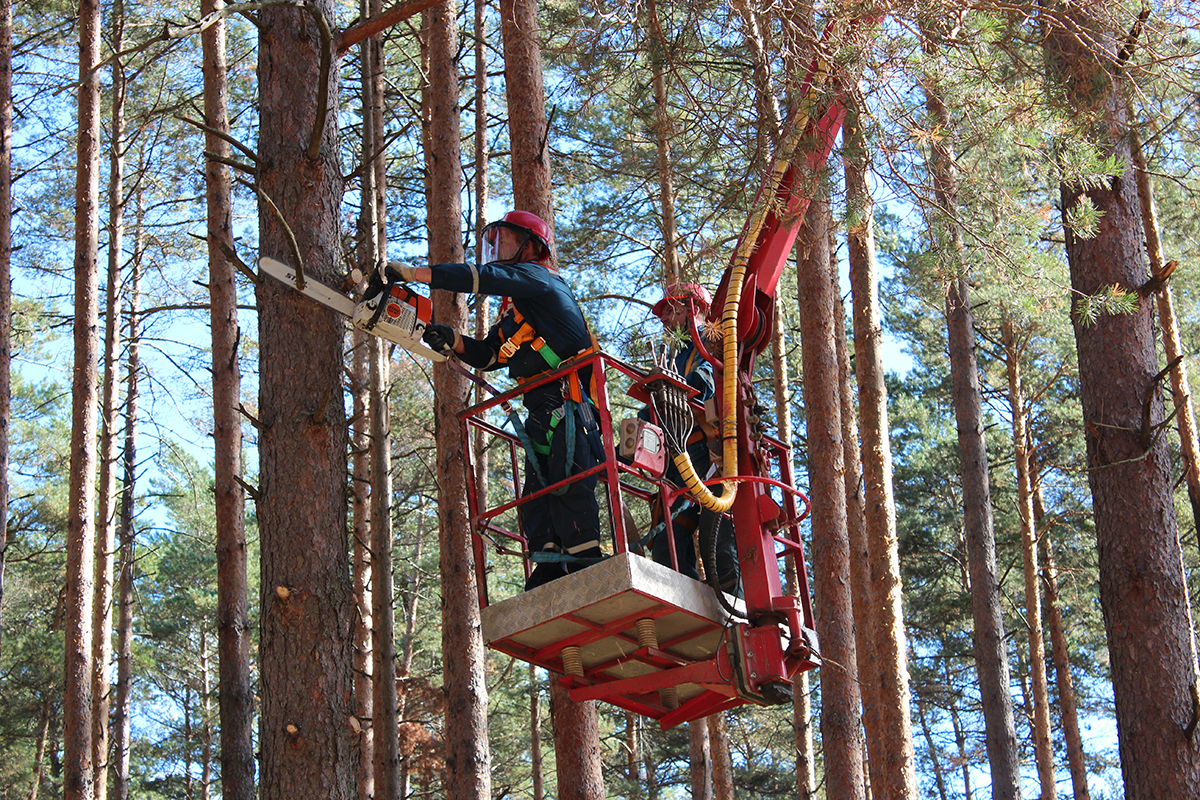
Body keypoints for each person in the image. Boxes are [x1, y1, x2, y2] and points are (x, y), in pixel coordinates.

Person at [385, 210, 605, 591]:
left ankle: (586, 563)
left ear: (532, 246)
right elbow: (489, 354)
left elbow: (481, 279)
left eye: (504, 238)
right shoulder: (518, 309)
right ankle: (550, 566)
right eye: (494, 239)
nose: (495, 247)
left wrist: (416, 274)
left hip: (570, 407)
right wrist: (451, 339)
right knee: (536, 497)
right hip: (540, 411)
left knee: (570, 484)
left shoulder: (540, 280)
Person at [644, 282, 741, 596]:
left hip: (708, 454)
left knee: (718, 545)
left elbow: (706, 383)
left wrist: (672, 390)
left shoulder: (710, 344)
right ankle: (679, 599)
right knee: (667, 544)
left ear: (694, 309)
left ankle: (734, 609)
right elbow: (652, 410)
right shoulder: (673, 355)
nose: (665, 320)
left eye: (671, 310)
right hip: (678, 456)